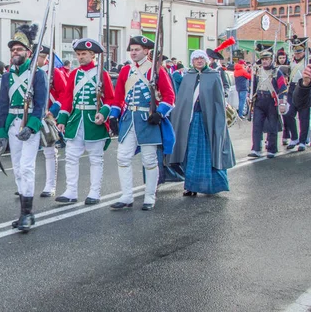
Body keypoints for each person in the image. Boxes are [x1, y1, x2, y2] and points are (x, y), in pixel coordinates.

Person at [109, 36, 175, 211]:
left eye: (137, 49)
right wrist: (114, 116)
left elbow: (169, 96)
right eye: (131, 49)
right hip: (129, 118)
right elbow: (118, 97)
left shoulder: (156, 70)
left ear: (146, 51)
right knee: (122, 157)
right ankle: (126, 196)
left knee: (149, 159)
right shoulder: (125, 71)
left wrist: (160, 113)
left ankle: (149, 196)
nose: (133, 52)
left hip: (148, 119)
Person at [0, 24, 47, 232]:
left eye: (19, 49)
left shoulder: (38, 74)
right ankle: (25, 213)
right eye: (13, 50)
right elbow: (3, 106)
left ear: (29, 52)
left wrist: (32, 127)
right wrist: (1, 132)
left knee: (26, 167)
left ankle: (27, 213)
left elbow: (41, 106)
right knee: (17, 169)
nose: (15, 53)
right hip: (12, 125)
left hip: (29, 126)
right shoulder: (7, 77)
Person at [55, 38, 114, 205]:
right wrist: (63, 118)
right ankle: (71, 191)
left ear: (92, 54)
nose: (80, 57)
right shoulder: (74, 74)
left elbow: (110, 98)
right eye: (78, 54)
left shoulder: (102, 73)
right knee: (71, 157)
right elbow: (67, 98)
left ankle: (94, 192)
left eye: (84, 54)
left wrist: (103, 113)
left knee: (95, 158)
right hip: (75, 120)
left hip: (93, 120)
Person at [167, 50, 235, 196]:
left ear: (206, 60)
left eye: (201, 58)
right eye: (196, 59)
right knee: (190, 153)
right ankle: (190, 186)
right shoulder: (188, 77)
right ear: (192, 61)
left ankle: (210, 186)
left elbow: (217, 102)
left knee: (208, 152)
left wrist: (217, 120)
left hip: (207, 122)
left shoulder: (213, 76)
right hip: (190, 122)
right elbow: (183, 100)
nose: (199, 61)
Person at [36, 44, 67, 198]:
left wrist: (53, 110)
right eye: (37, 56)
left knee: (49, 151)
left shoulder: (53, 73)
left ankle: (50, 185)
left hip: (48, 116)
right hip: (31, 115)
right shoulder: (28, 73)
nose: (39, 59)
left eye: (42, 57)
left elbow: (65, 93)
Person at [247, 50, 288, 158]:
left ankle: (272, 149)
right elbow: (253, 87)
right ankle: (256, 149)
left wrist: (282, 101)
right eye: (263, 59)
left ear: (271, 60)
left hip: (271, 101)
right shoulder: (257, 71)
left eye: (267, 59)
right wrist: (249, 97)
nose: (264, 61)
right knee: (257, 125)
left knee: (272, 126)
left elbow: (283, 88)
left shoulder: (277, 72)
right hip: (259, 100)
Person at [283, 38, 310, 151]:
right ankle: (294, 138)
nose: (297, 54)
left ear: (304, 51)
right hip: (292, 88)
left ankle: (303, 141)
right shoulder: (291, 62)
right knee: (288, 113)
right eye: (296, 52)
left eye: (299, 51)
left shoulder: (308, 62)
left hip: (304, 89)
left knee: (303, 117)